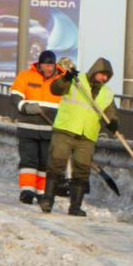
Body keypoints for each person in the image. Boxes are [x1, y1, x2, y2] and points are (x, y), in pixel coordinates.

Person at [40, 57, 119, 217]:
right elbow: (55, 89)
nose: (104, 78)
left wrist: (113, 122)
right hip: (65, 129)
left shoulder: (107, 93)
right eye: (102, 74)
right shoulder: (76, 79)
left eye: (107, 77)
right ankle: (48, 200)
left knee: (82, 169)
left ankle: (75, 206)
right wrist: (65, 79)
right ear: (95, 71)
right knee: (57, 163)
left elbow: (110, 111)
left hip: (87, 135)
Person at [9, 49, 65, 204]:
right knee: (28, 161)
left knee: (45, 162)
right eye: (46, 65)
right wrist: (25, 107)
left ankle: (41, 192)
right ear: (39, 65)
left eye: (51, 65)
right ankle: (27, 191)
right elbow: (15, 96)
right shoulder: (26, 76)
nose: (49, 68)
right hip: (28, 127)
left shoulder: (61, 81)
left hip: (50, 129)